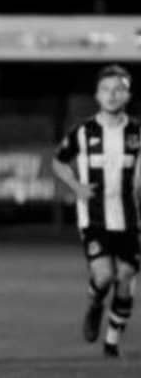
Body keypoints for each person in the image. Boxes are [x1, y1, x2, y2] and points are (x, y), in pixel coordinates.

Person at [52, 64, 140, 358]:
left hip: (130, 217)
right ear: (97, 95)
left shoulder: (137, 132)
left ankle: (112, 343)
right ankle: (95, 303)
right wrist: (76, 186)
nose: (112, 95)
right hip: (94, 216)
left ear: (128, 94)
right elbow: (59, 161)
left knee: (126, 276)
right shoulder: (83, 131)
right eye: (106, 89)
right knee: (104, 276)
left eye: (119, 89)